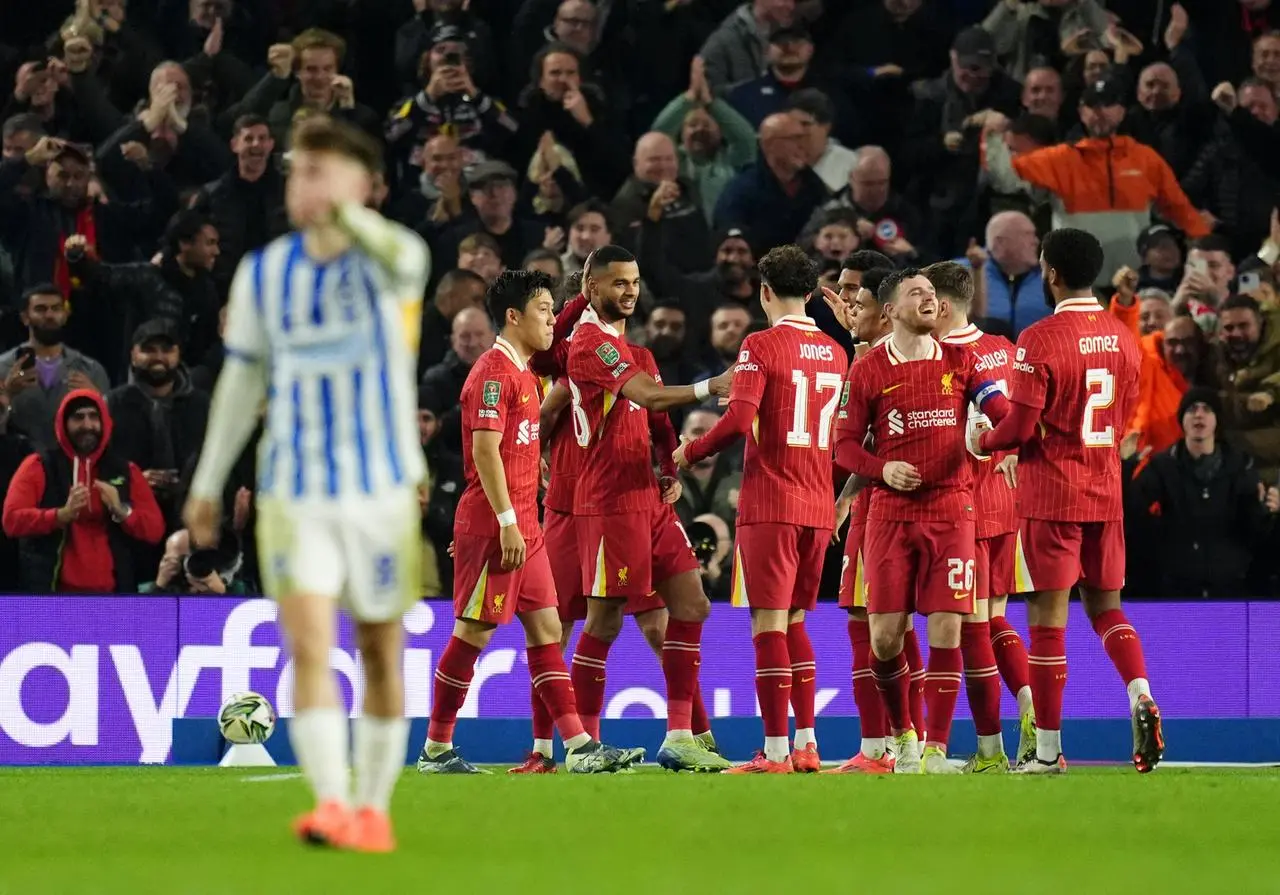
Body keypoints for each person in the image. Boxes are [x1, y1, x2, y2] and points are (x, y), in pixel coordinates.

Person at [183, 117, 432, 852]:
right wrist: (207, 479)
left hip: (381, 489)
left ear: (363, 186)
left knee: (381, 651)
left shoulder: (391, 260)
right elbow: (241, 377)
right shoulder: (263, 271)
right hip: (293, 490)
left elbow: (407, 257)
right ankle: (330, 802)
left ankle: (374, 805)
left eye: (321, 171)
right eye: (299, 172)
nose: (304, 185)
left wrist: (348, 212)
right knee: (310, 645)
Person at [419, 269, 641, 776]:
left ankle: (580, 747)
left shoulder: (523, 372)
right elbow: (483, 450)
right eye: (544, 310)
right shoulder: (494, 371)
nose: (551, 321)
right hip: (503, 527)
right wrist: (499, 524)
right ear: (514, 316)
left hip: (525, 527)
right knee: (472, 634)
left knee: (546, 631)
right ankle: (435, 748)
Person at [975, 227, 1163, 774]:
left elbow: (1017, 429)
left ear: (1050, 273)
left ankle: (1049, 751)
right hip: (1106, 491)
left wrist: (980, 439)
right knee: (1107, 609)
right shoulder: (1123, 336)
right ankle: (1140, 692)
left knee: (1047, 624)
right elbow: (1123, 418)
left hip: (1051, 495)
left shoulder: (1039, 338)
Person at [833, 267, 1011, 775]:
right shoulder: (867, 371)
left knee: (947, 629)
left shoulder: (963, 360)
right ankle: (902, 736)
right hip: (890, 516)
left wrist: (1014, 433)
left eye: (932, 294)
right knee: (885, 638)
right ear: (889, 311)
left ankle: (935, 750)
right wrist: (881, 467)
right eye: (917, 293)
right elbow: (844, 446)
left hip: (952, 510)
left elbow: (998, 409)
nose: (929, 300)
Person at [675, 245, 845, 774]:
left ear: (764, 291)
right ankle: (808, 744)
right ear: (813, 293)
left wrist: (690, 451)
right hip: (818, 505)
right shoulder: (838, 353)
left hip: (771, 502)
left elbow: (737, 421)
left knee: (768, 625)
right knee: (795, 623)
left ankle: (774, 752)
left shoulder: (761, 344)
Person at [565, 244, 734, 772]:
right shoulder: (589, 344)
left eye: (635, 282)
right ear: (591, 289)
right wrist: (710, 386)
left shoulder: (636, 350)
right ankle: (584, 746)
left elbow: (657, 421)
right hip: (610, 501)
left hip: (649, 500)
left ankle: (680, 736)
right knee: (606, 619)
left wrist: (667, 468)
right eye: (618, 283)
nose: (630, 291)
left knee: (692, 605)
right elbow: (650, 397)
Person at [928, 260, 1033, 771]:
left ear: (943, 306)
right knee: (995, 619)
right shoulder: (1007, 350)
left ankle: (990, 749)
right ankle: (1032, 704)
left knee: (971, 628)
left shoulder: (942, 357)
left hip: (961, 505)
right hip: (1006, 503)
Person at [821, 264, 899, 775]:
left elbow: (869, 441)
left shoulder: (884, 362)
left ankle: (885, 746)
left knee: (872, 622)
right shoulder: (876, 356)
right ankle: (901, 743)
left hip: (882, 508)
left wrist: (846, 499)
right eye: (844, 292)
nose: (847, 304)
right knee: (878, 623)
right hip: (876, 503)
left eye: (857, 295)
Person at [2, 389, 164, 592]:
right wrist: (60, 515)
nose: (87, 425)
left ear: (105, 421)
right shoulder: (38, 465)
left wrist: (122, 511)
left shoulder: (127, 471)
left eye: (94, 417)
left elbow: (155, 530)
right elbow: (11, 520)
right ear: (63, 423)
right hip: (50, 595)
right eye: (78, 418)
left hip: (115, 594)